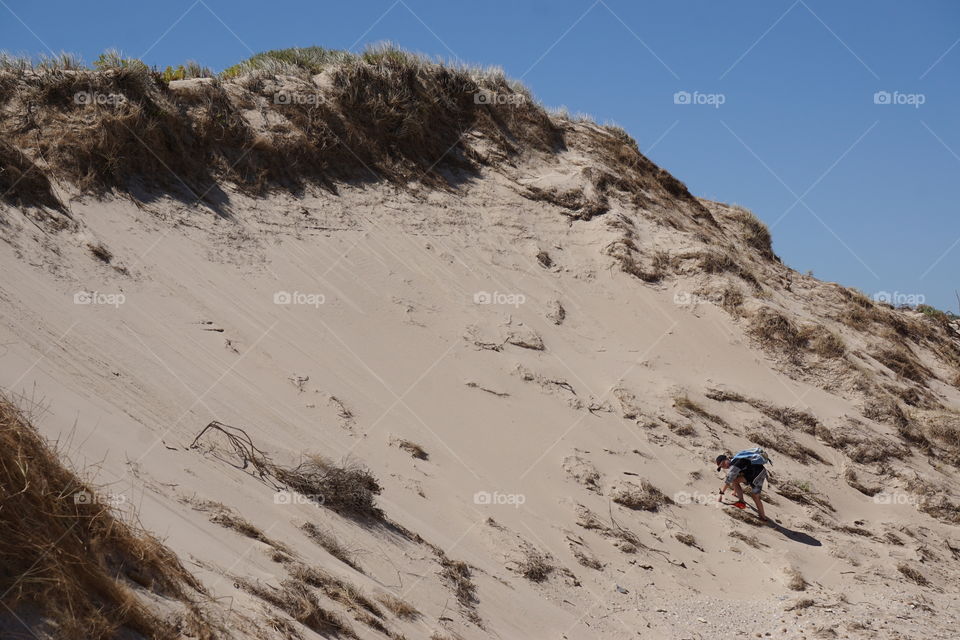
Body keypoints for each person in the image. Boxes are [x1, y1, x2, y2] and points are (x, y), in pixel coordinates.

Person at [716, 452, 768, 521]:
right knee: (735, 480)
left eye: (723, 463)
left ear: (727, 459)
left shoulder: (734, 466)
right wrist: (735, 492)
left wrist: (721, 494)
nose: (724, 466)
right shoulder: (734, 460)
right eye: (722, 466)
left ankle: (763, 517)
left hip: (759, 474)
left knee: (755, 496)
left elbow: (728, 482)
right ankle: (741, 501)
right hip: (752, 472)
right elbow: (734, 477)